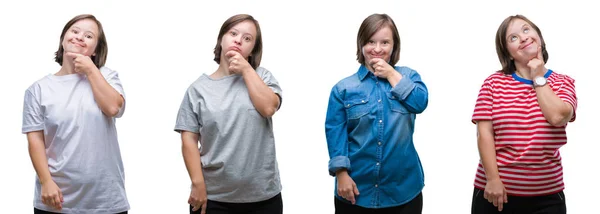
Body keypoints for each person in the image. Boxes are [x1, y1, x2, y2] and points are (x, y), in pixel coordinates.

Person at [174, 14, 283, 214]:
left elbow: (268, 108)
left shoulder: (263, 77)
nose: (239, 40)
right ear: (221, 39)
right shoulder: (197, 90)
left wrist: (246, 70)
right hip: (213, 198)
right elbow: (188, 140)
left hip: (263, 197)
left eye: (247, 38)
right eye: (233, 33)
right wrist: (197, 184)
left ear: (252, 49)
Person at [21, 14, 129, 214]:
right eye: (75, 31)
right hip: (56, 199)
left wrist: (90, 70)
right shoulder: (38, 89)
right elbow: (35, 141)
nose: (80, 37)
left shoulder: (106, 76)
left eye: (89, 36)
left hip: (105, 200)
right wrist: (46, 182)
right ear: (63, 39)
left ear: (95, 49)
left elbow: (114, 108)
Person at [470, 14, 576, 214]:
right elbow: (484, 134)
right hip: (496, 195)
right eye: (513, 37)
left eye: (526, 30)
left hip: (548, 197)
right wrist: (492, 180)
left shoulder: (564, 82)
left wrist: (538, 76)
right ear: (508, 53)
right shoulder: (493, 83)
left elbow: (557, 117)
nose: (523, 37)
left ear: (540, 38)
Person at [325, 13, 428, 214]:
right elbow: (335, 133)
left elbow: (420, 103)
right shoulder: (343, 89)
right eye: (371, 41)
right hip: (355, 191)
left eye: (385, 42)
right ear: (361, 44)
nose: (378, 49)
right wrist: (341, 174)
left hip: (404, 190)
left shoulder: (408, 76)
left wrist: (390, 73)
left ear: (394, 46)